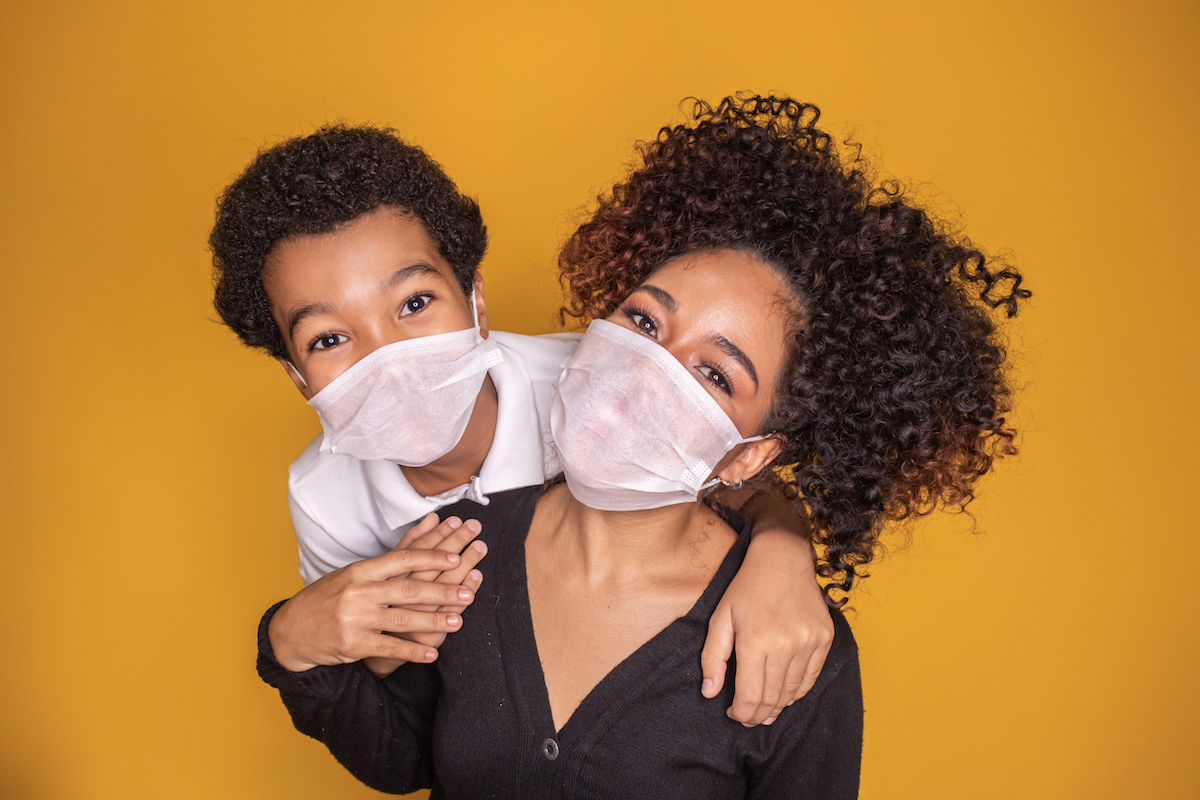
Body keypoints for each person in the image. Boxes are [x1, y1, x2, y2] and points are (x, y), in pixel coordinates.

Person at [255, 94, 1029, 797]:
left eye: (715, 374)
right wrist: (288, 643)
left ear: (749, 453)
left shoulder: (791, 645)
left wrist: (783, 548)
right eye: (645, 323)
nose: (642, 375)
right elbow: (405, 751)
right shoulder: (459, 549)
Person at [210, 125, 834, 722]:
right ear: (299, 378)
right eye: (328, 338)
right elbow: (387, 690)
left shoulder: (595, 382)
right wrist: (323, 635)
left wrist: (783, 555)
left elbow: (734, 469)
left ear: (477, 303)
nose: (386, 358)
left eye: (415, 303)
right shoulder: (322, 498)